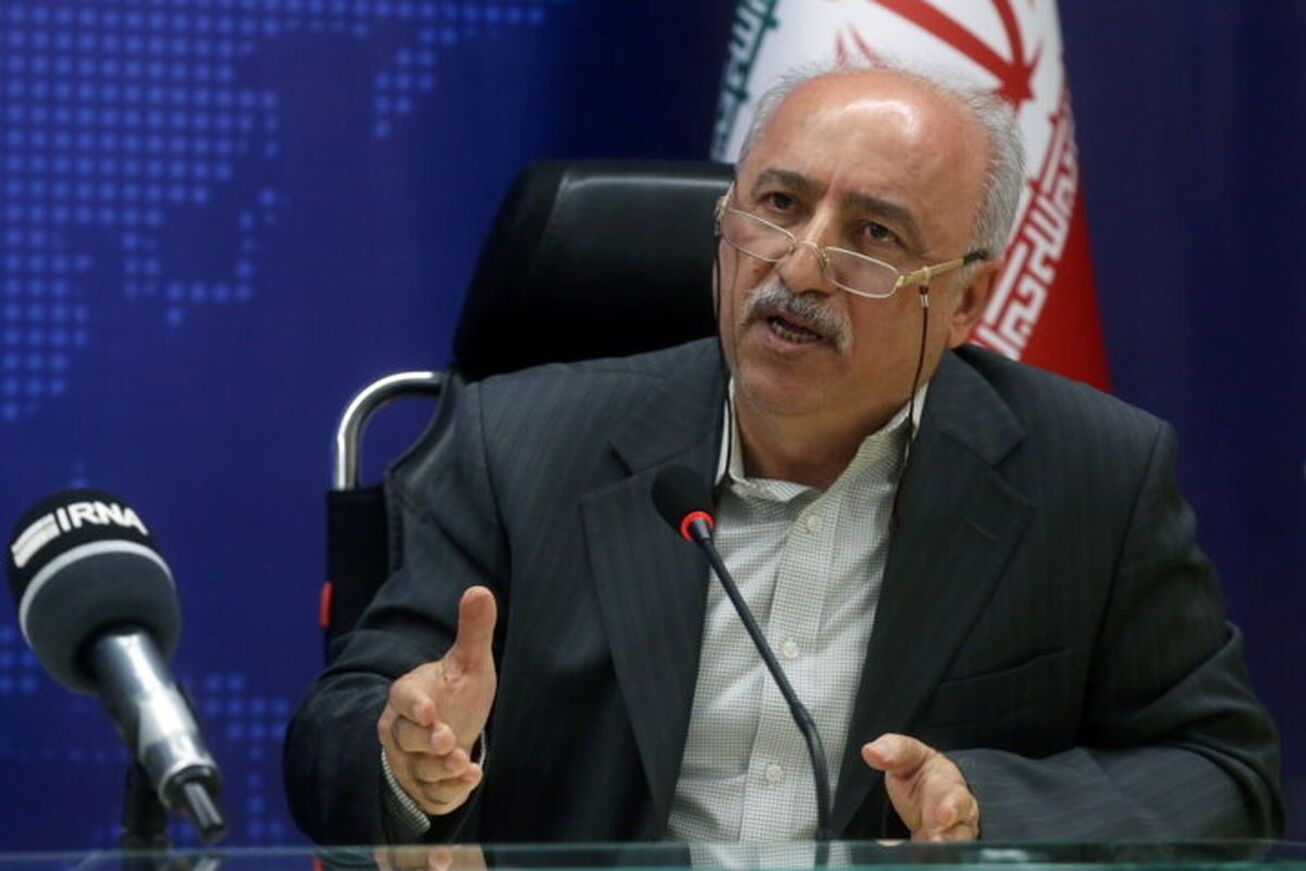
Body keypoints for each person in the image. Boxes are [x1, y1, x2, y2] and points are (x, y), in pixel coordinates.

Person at [283, 60, 1283, 845]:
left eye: (875, 234)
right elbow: (337, 732)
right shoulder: (517, 443)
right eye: (777, 205)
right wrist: (403, 755)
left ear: (967, 300)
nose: (799, 267)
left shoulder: (1092, 475)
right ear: (726, 222)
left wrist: (987, 805)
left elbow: (1221, 772)